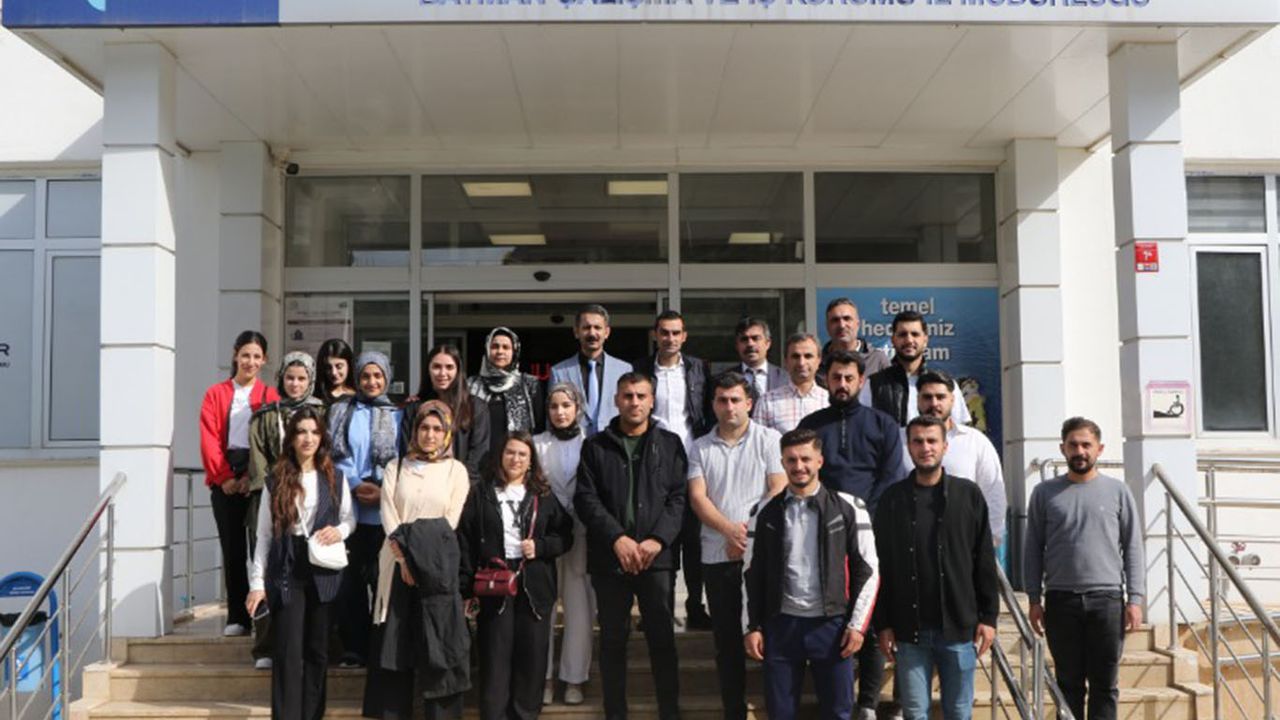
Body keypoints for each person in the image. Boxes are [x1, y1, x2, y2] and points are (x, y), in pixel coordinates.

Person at [574, 372, 687, 720]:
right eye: (627, 395)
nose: (634, 402)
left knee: (662, 637)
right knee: (612, 639)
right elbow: (586, 499)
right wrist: (617, 538)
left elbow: (678, 498)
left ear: (652, 401)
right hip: (611, 559)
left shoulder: (670, 444)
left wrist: (657, 540)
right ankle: (615, 712)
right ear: (616, 400)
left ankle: (670, 711)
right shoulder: (596, 446)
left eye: (641, 396)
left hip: (657, 558)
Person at [744, 428, 878, 720]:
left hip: (831, 626)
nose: (799, 466)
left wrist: (857, 626)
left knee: (838, 712)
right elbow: (750, 572)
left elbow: (868, 570)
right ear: (782, 462)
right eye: (791, 460)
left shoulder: (850, 507)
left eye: (805, 458)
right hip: (781, 625)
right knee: (780, 713)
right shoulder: (763, 511)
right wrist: (751, 626)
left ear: (820, 460)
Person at [797, 350, 902, 720]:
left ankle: (868, 702)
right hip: (824, 531)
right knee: (830, 614)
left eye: (849, 378)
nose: (842, 384)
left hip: (872, 530)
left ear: (861, 381)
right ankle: (831, 700)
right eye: (836, 378)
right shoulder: (812, 425)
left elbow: (891, 475)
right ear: (826, 380)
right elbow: (807, 474)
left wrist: (862, 514)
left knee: (870, 616)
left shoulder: (883, 424)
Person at [874, 415, 998, 720]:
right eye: (918, 441)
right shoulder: (892, 499)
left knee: (959, 712)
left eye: (932, 441)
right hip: (909, 629)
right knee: (915, 712)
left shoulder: (968, 495)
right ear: (909, 447)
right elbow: (882, 566)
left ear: (945, 446)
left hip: (959, 626)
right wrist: (883, 623)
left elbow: (983, 560)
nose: (925, 447)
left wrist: (989, 617)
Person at [1025, 418, 1145, 720]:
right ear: (1062, 448)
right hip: (1061, 600)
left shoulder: (1118, 491)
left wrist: (1135, 599)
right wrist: (1034, 599)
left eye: (1086, 445)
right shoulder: (1044, 493)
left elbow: (1133, 546)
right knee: (1068, 685)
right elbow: (1033, 548)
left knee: (1105, 685)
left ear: (1099, 449)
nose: (1080, 451)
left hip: (1107, 600)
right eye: (1073, 445)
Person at [687, 372, 786, 720]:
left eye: (735, 400)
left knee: (771, 637)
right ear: (713, 404)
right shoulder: (699, 447)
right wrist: (730, 532)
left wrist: (747, 538)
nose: (729, 407)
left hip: (762, 558)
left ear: (749, 404)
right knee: (727, 642)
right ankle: (734, 711)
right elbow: (698, 498)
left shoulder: (770, 440)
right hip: (718, 556)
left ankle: (778, 710)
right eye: (722, 400)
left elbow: (777, 489)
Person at [365, 401, 472, 720]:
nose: (430, 434)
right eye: (424, 427)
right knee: (396, 644)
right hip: (397, 568)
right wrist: (404, 561)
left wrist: (418, 561)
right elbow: (389, 516)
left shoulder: (456, 471)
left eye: (438, 429)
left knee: (438, 645)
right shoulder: (396, 467)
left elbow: (448, 522)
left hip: (436, 571)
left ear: (447, 433)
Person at [246, 407, 355, 720]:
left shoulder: (335, 477)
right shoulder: (275, 480)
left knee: (318, 650)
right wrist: (257, 583)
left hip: (323, 566)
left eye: (314, 432)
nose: (308, 438)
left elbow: (349, 519)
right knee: (288, 651)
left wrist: (340, 531)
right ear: (292, 438)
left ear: (322, 438)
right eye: (301, 431)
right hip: (287, 566)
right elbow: (264, 535)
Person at [459, 432, 575, 720]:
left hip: (534, 584)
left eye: (523, 454)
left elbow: (565, 536)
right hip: (494, 583)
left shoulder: (543, 496)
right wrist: (466, 587)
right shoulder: (482, 493)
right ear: (500, 456)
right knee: (495, 656)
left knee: (532, 656)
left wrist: (541, 546)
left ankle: (525, 714)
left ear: (531, 460)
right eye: (510, 452)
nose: (516, 459)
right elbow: (466, 540)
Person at [632, 309, 713, 631]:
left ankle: (695, 606)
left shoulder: (698, 369)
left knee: (693, 541)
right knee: (657, 536)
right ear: (655, 335)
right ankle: (657, 609)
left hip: (690, 460)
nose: (670, 338)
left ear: (684, 336)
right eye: (664, 332)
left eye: (676, 332)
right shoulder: (640, 369)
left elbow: (705, 412)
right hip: (653, 460)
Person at [245, 351, 327, 669]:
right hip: (272, 497)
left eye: (302, 378)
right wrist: (278, 483)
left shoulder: (322, 412)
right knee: (267, 571)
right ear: (281, 379)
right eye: (290, 378)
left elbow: (327, 452)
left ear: (311, 380)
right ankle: (265, 646)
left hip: (311, 502)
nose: (295, 384)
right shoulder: (265, 415)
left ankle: (312, 646)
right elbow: (258, 460)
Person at [199, 330, 280, 638]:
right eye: (245, 355)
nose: (250, 361)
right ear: (235, 355)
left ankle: (263, 618)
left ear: (265, 360)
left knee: (261, 548)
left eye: (257, 356)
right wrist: (225, 478)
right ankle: (237, 616)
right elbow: (209, 438)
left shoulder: (270, 396)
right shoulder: (216, 393)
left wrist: (251, 477)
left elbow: (272, 441)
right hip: (225, 476)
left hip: (258, 477)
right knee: (232, 549)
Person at [327, 351, 402, 668]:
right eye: (366, 376)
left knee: (383, 582)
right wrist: (357, 484)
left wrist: (383, 491)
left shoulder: (399, 414)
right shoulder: (341, 410)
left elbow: (404, 459)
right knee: (351, 584)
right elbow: (335, 452)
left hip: (386, 511)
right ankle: (355, 648)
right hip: (351, 509)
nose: (372, 382)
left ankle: (382, 648)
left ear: (387, 377)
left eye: (378, 375)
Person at [896, 370, 1007, 550]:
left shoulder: (975, 442)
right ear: (917, 400)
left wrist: (990, 540)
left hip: (965, 545)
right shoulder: (897, 440)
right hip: (911, 545)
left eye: (940, 397)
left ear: (952, 400)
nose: (934, 403)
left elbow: (993, 492)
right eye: (927, 397)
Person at [535, 384, 594, 706]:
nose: (560, 412)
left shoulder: (591, 443)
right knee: (543, 605)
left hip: (582, 533)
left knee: (578, 606)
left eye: (566, 406)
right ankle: (543, 677)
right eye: (554, 406)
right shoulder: (536, 444)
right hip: (545, 534)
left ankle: (574, 678)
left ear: (577, 409)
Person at [858, 310, 970, 427]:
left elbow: (958, 431)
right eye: (903, 334)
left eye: (915, 334)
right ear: (893, 340)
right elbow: (862, 429)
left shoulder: (946, 385)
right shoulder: (873, 384)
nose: (909, 340)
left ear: (925, 340)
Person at [403, 344, 491, 485]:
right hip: (420, 485)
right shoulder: (414, 408)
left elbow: (479, 453)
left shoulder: (476, 407)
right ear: (428, 370)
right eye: (436, 367)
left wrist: (461, 485)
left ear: (458, 370)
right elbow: (406, 450)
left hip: (462, 487)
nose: (442, 373)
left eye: (449, 367)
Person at [550, 304, 633, 436]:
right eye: (586, 328)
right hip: (573, 443)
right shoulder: (559, 372)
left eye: (597, 328)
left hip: (612, 442)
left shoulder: (624, 370)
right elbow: (552, 417)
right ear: (576, 332)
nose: (592, 333)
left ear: (607, 332)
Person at [467, 327, 545, 442]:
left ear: (514, 352)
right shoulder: (471, 385)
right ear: (487, 350)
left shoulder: (529, 384)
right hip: (480, 451)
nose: (500, 351)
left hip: (517, 451)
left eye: (506, 347)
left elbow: (539, 426)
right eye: (495, 346)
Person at [756, 333, 830, 434]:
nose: (801, 363)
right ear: (786, 361)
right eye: (795, 356)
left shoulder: (829, 401)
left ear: (818, 361)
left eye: (808, 356)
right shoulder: (767, 402)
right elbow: (758, 441)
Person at [818, 298, 890, 385]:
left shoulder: (877, 360)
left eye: (847, 318)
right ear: (827, 326)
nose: (842, 325)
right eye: (835, 320)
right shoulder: (817, 363)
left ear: (858, 324)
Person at [733, 317, 786, 409]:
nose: (750, 344)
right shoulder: (722, 380)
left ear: (767, 343)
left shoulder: (785, 378)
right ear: (737, 345)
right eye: (744, 339)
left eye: (756, 338)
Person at [315, 338, 357, 405]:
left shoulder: (360, 396)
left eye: (339, 367)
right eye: (328, 367)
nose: (333, 372)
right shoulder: (316, 399)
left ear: (349, 364)